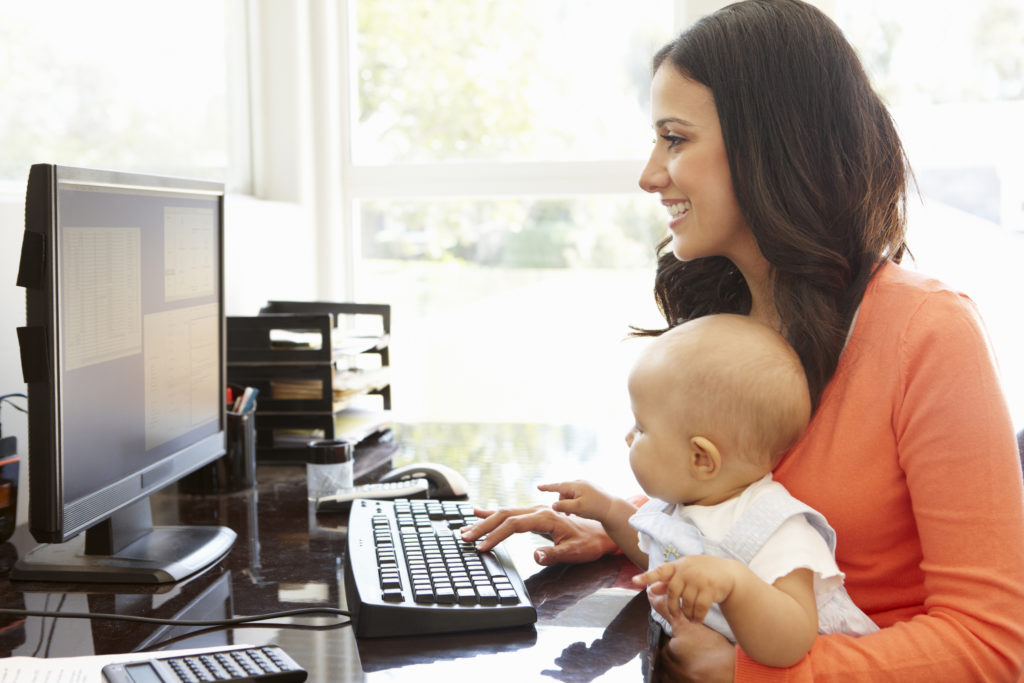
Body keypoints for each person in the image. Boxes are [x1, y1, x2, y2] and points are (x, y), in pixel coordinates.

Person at [461, 0, 1024, 679]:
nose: (649, 174)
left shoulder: (931, 334)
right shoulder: (726, 306)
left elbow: (995, 645)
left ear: (771, 146)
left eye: (675, 138)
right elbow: (745, 497)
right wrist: (632, 528)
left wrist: (760, 672)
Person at [542, 313, 877, 669]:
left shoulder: (776, 529)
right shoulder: (688, 503)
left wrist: (736, 585)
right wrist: (608, 511)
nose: (628, 437)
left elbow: (793, 643)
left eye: (641, 428)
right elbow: (661, 557)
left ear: (701, 458)